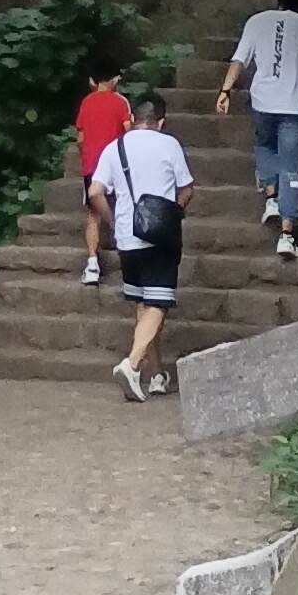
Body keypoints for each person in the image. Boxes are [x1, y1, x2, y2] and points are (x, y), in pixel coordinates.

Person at [89, 90, 196, 396]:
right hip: (160, 237)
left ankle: (156, 374)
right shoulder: (169, 144)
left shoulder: (115, 147)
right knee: (158, 303)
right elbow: (186, 189)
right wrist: (174, 211)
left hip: (127, 237)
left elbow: (95, 191)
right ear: (161, 122)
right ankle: (133, 363)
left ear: (133, 119)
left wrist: (113, 221)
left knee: (143, 305)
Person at [217, 0, 298, 260]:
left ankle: (272, 198)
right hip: (294, 105)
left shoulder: (256, 21)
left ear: (280, 1)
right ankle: (287, 237)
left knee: (264, 145)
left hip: (262, 103)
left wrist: (225, 91)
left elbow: (239, 60)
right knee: (291, 169)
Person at [72, 67, 133, 287]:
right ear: (115, 79)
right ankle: (130, 257)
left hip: (92, 165)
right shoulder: (120, 102)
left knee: (93, 214)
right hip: (117, 165)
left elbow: (80, 138)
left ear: (92, 80)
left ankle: (92, 265)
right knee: (126, 205)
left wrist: (86, 155)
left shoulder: (86, 103)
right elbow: (129, 131)